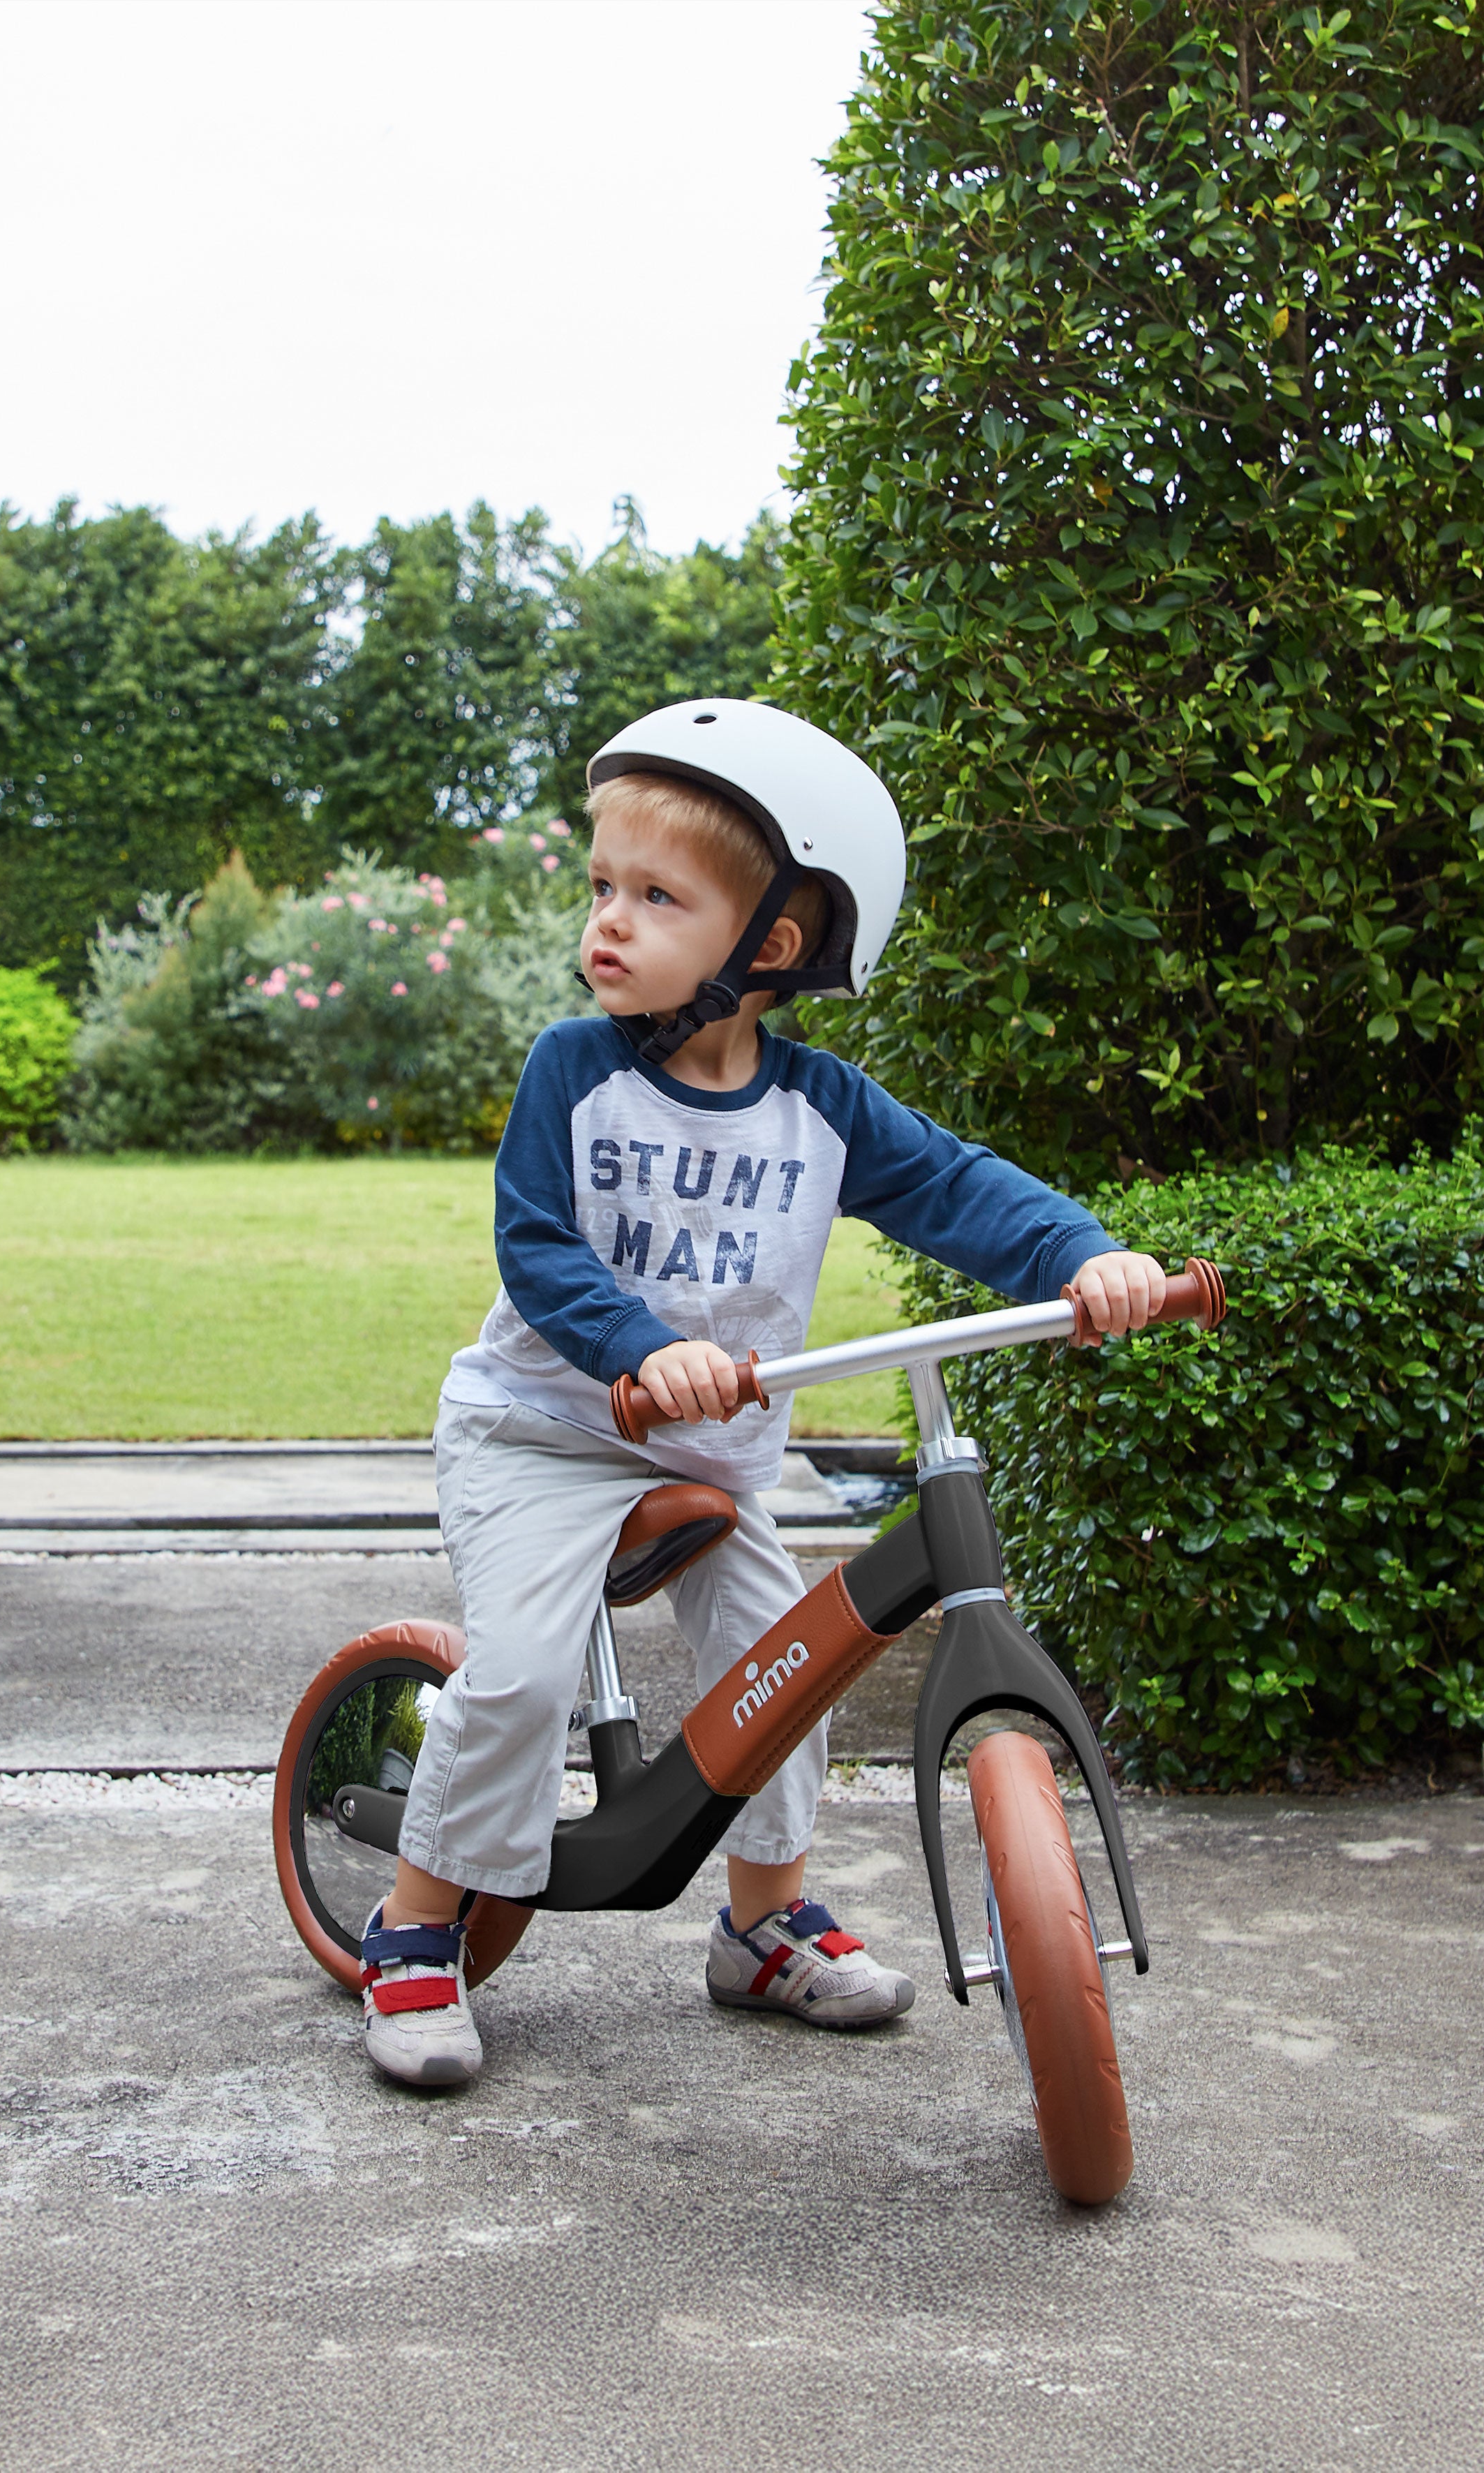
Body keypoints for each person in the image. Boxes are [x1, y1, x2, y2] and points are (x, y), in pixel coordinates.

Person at [358, 699, 1167, 2088]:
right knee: (526, 1670)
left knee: (785, 1666)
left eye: (654, 895)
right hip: (544, 1430)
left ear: (770, 945)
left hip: (713, 1456)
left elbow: (961, 1188)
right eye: (599, 885)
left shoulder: (823, 1110)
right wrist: (634, 1343)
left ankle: (761, 1918)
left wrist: (1083, 1255)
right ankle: (416, 1923)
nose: (605, 919)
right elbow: (538, 1246)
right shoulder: (574, 1071)